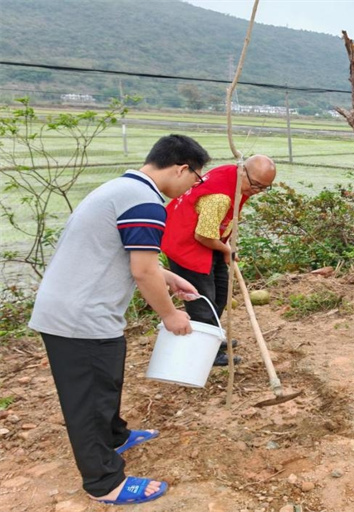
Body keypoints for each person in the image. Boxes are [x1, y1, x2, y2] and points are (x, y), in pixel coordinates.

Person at [28, 134, 211, 505]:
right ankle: (104, 482)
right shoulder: (146, 201)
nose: (194, 185)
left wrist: (171, 278)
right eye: (196, 178)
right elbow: (142, 271)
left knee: (104, 383)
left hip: (78, 310)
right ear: (180, 168)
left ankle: (115, 437)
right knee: (89, 399)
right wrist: (171, 315)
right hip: (80, 317)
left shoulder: (122, 188)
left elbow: (132, 255)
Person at [161, 155, 276, 365]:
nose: (257, 191)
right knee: (202, 300)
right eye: (256, 185)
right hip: (186, 244)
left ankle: (211, 336)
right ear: (243, 170)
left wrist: (227, 243)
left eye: (264, 188)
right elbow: (203, 235)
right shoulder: (219, 196)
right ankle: (204, 354)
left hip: (208, 240)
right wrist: (226, 250)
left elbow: (222, 222)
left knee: (221, 293)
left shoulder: (238, 179)